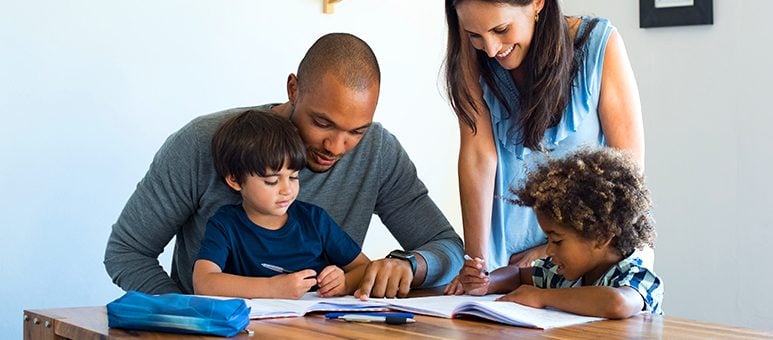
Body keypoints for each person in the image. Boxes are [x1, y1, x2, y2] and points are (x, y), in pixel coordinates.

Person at [104, 33, 464, 298]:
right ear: (294, 89)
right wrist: (189, 316)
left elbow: (446, 247)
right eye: (322, 123)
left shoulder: (378, 151)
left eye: (356, 131)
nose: (336, 147)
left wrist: (410, 265)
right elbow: (126, 252)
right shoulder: (201, 143)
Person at [442, 0, 647, 293]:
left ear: (537, 3)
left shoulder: (599, 45)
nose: (490, 48)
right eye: (475, 35)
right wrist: (478, 266)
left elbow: (628, 173)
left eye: (501, 29)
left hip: (589, 258)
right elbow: (478, 158)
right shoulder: (471, 60)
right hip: (504, 261)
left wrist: (551, 250)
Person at [457, 147, 663, 318]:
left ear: (601, 237)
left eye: (556, 241)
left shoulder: (635, 274)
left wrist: (542, 297)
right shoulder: (562, 273)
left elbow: (616, 303)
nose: (548, 250)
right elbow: (518, 275)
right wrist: (487, 282)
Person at [192, 109, 370, 299]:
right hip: (255, 326)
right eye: (272, 181)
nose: (287, 190)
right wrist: (273, 288)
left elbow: (365, 268)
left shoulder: (315, 220)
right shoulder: (225, 224)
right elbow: (203, 282)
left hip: (315, 324)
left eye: (294, 177)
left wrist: (344, 282)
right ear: (235, 180)